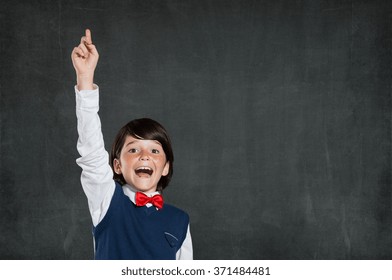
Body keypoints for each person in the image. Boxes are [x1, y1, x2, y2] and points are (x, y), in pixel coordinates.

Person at [71, 29, 193, 260]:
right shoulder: (106, 200)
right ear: (116, 165)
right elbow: (92, 152)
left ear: (166, 167)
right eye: (133, 149)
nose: (144, 156)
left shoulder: (180, 221)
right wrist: (85, 81)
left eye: (155, 150)